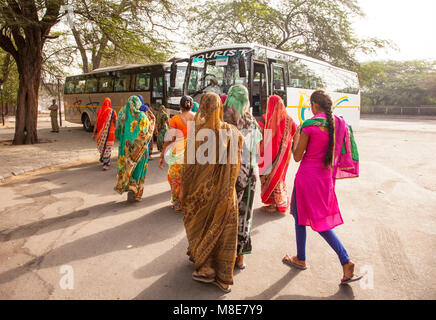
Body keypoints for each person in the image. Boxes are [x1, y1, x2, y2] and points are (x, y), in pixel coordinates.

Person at [283, 89, 363, 285]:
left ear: (314, 106)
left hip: (307, 178)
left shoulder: (310, 125)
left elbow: (297, 156)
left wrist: (295, 138)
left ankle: (345, 260)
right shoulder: (339, 123)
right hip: (325, 178)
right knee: (301, 215)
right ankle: (300, 257)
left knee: (316, 221)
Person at [181, 92, 243, 293]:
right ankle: (224, 278)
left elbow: (188, 166)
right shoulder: (231, 131)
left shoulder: (196, 132)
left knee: (201, 226)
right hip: (225, 192)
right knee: (224, 233)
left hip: (201, 194)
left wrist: (183, 190)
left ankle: (206, 267)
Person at [223, 85, 262, 270]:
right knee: (244, 216)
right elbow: (257, 151)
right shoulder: (251, 121)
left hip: (229, 174)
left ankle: (224, 257)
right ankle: (240, 258)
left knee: (226, 215)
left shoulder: (224, 118)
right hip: (249, 173)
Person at [258, 95, 297, 213]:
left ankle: (271, 204)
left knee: (268, 179)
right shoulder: (289, 120)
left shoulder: (265, 119)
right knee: (279, 178)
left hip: (267, 155)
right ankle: (279, 202)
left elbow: (260, 136)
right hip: (282, 156)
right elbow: (295, 133)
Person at [114, 95, 155, 202]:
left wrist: (124, 139)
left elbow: (117, 132)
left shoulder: (122, 115)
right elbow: (148, 130)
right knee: (139, 171)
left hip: (125, 148)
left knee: (127, 169)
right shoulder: (143, 116)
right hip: (140, 149)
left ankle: (127, 188)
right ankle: (136, 193)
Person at [158, 96, 194, 212]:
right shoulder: (197, 118)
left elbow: (169, 139)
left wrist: (162, 154)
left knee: (175, 177)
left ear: (180, 106)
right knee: (191, 178)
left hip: (178, 153)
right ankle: (189, 202)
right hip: (194, 153)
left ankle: (178, 203)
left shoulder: (175, 119)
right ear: (191, 106)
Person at [92, 97, 117, 170]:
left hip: (101, 134)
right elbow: (116, 121)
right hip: (111, 133)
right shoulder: (112, 111)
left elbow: (96, 123)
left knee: (103, 147)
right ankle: (106, 163)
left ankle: (106, 161)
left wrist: (94, 133)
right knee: (108, 148)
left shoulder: (99, 111)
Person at [137, 95, 155, 159]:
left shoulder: (134, 108)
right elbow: (151, 117)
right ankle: (148, 155)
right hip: (146, 127)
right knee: (148, 140)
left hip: (137, 128)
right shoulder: (145, 107)